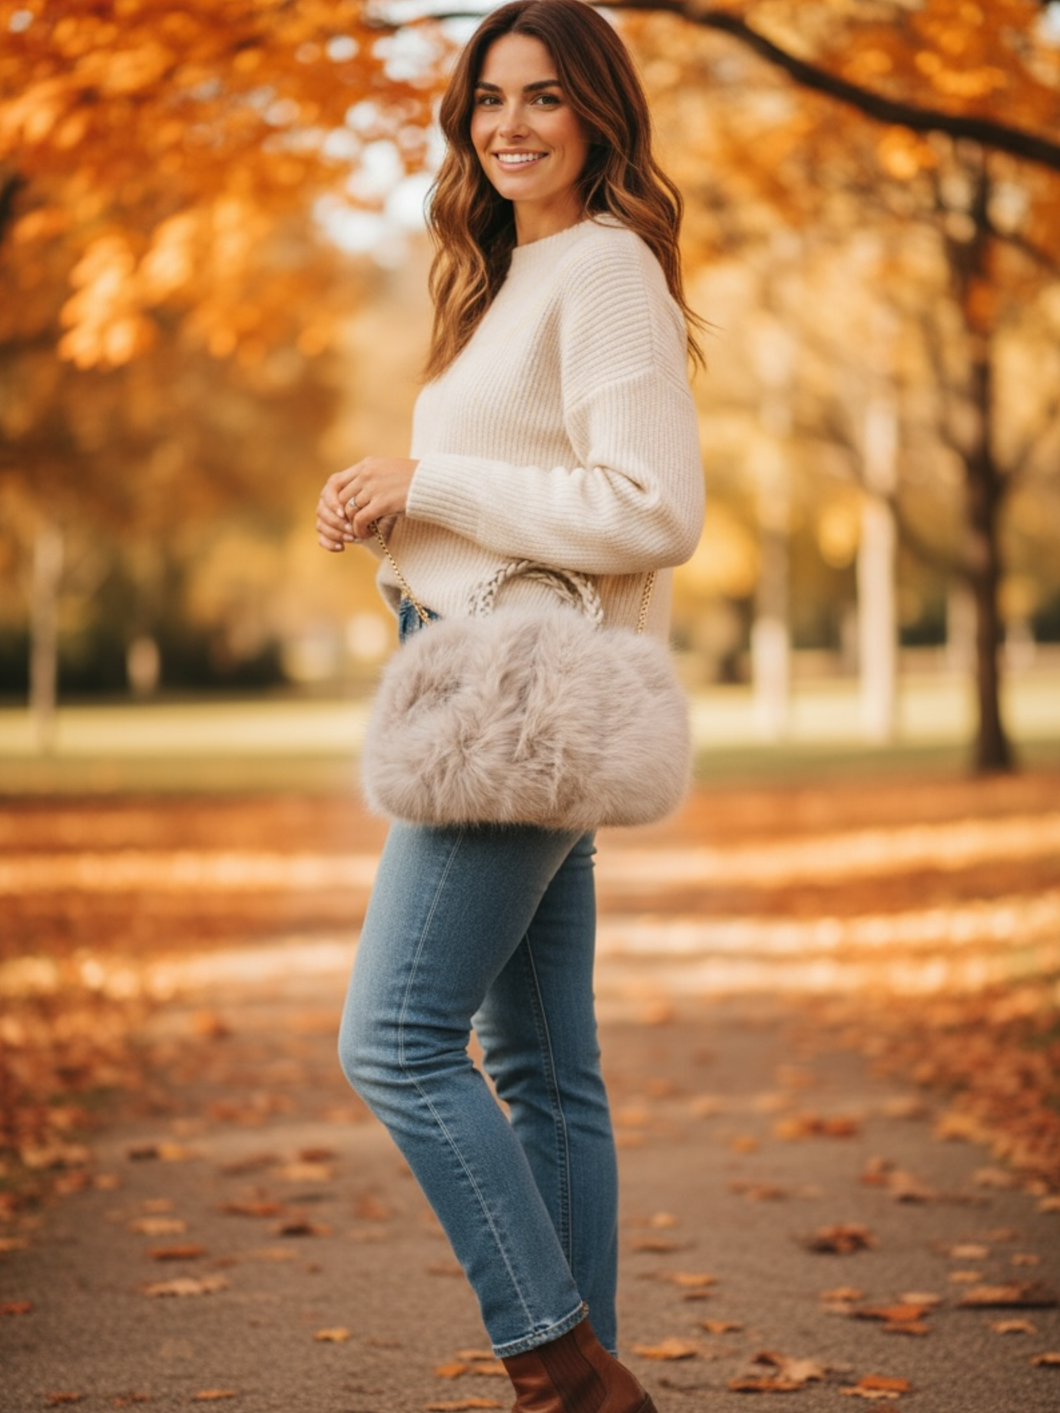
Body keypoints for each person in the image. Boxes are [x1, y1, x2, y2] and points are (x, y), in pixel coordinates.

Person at [315, 2, 704, 1408]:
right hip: (498, 677)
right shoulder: (506, 281)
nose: (512, 125)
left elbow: (655, 509)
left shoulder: (603, 269)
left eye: (545, 97)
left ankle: (557, 1364)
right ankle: (586, 1378)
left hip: (520, 704)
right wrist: (392, 510)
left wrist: (437, 485)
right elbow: (520, 494)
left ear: (599, 112)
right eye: (491, 98)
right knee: (542, 1065)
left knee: (394, 1038)